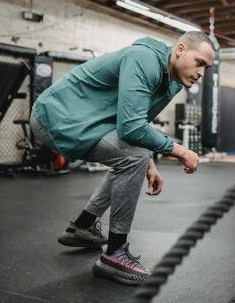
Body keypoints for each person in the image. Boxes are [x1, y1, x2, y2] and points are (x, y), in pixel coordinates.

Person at [30, 31, 215, 284]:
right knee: (132, 157)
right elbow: (131, 128)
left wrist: (148, 163)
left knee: (134, 157)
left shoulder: (171, 82)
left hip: (86, 122)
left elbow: (137, 121)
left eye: (206, 67)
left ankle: (83, 227)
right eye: (200, 62)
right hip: (54, 116)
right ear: (180, 49)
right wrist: (179, 150)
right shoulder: (144, 59)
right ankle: (114, 254)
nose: (201, 73)